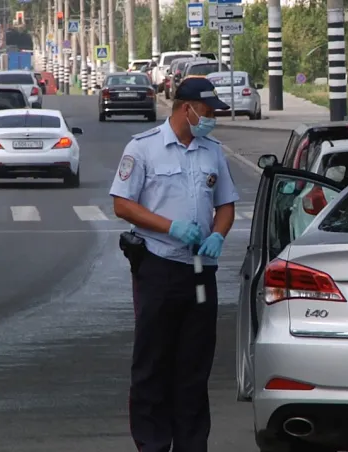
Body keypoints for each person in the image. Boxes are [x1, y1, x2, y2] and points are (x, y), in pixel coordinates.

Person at [109, 77, 239, 452]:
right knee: (152, 364)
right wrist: (171, 227)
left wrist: (218, 234)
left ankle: (191, 444)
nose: (212, 118)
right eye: (209, 111)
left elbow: (226, 203)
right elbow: (122, 204)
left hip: (199, 270)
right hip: (158, 267)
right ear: (187, 108)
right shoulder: (145, 148)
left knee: (194, 366)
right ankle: (152, 444)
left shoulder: (212, 150)